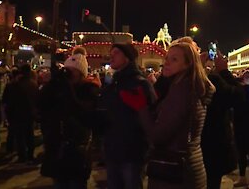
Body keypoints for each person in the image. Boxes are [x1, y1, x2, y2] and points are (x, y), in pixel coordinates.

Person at [139, 40, 215, 189]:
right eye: (167, 58)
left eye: (174, 59)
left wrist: (141, 107)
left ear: (187, 64)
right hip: (188, 167)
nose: (166, 63)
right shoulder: (187, 87)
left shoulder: (182, 91)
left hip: (174, 173)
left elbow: (158, 135)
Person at [38, 51, 100, 188]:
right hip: (57, 148)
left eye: (73, 71)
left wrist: (67, 88)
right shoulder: (58, 88)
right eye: (67, 70)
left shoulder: (89, 89)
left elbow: (81, 111)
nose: (69, 74)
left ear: (81, 73)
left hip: (78, 151)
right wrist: (52, 83)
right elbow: (41, 104)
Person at [100, 43, 157, 189]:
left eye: (117, 52)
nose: (111, 55)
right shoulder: (114, 83)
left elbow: (151, 114)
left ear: (127, 58)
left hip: (132, 151)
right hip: (113, 148)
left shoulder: (140, 83)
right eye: (111, 52)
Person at [200, 51, 239, 189]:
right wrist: (224, 71)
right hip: (212, 145)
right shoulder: (213, 82)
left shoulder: (182, 80)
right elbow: (240, 96)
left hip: (197, 147)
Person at [2, 64, 38, 163]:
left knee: (20, 136)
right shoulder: (33, 84)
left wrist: (8, 114)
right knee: (29, 135)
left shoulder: (14, 85)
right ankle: (30, 154)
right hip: (30, 113)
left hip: (17, 114)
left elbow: (9, 101)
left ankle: (22, 156)